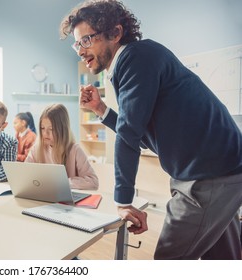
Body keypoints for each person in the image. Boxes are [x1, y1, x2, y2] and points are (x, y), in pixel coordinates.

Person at [60, 0, 242, 259]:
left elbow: (129, 134)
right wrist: (101, 110)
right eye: (77, 44)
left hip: (209, 174)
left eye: (86, 40)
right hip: (219, 168)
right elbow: (144, 137)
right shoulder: (133, 62)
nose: (80, 50)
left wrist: (123, 201)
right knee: (223, 259)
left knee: (167, 261)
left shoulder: (136, 57)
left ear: (115, 32)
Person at [25, 104, 98, 190]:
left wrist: (62, 183)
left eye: (51, 129)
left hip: (67, 199)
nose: (45, 133)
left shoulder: (75, 150)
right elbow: (26, 174)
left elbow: (93, 182)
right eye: (42, 128)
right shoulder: (37, 148)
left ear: (62, 129)